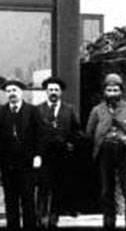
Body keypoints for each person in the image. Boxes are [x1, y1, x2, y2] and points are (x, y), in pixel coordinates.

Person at [84, 73, 126, 230]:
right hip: (105, 153)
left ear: (121, 91)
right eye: (109, 90)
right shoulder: (97, 111)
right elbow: (88, 133)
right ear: (104, 92)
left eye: (115, 90)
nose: (112, 93)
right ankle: (109, 224)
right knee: (106, 193)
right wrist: (99, 141)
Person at [0, 79, 41, 230]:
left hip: (27, 164)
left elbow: (41, 135)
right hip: (7, 164)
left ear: (21, 92)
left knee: (28, 199)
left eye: (14, 90)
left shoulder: (32, 111)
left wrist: (37, 155)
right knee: (10, 200)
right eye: (9, 91)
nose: (12, 94)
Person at [35, 76, 82, 229]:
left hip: (62, 156)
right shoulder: (38, 110)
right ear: (46, 92)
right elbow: (32, 133)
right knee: (43, 187)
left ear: (60, 92)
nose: (53, 92)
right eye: (50, 90)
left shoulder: (68, 110)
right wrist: (35, 153)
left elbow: (76, 131)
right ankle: (41, 216)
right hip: (44, 155)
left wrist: (70, 144)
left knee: (57, 187)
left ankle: (54, 217)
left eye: (56, 89)